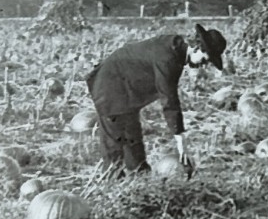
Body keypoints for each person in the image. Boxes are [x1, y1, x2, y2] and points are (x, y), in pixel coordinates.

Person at [85, 23, 227, 175]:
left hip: (126, 89)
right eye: (205, 59)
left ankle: (140, 177)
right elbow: (169, 99)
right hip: (109, 85)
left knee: (132, 135)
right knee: (114, 142)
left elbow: (169, 94)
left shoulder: (176, 49)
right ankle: (112, 183)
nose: (203, 65)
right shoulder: (168, 58)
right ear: (197, 48)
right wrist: (180, 140)